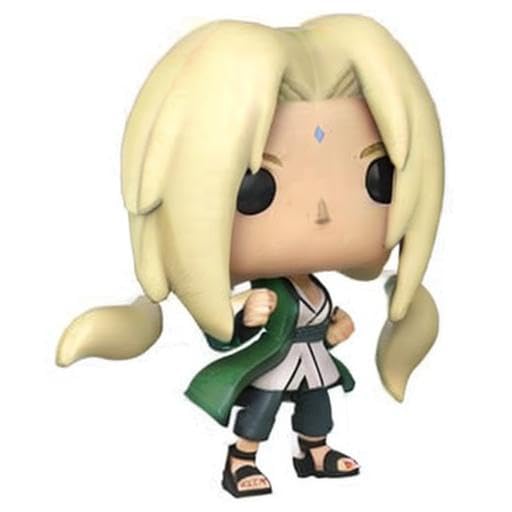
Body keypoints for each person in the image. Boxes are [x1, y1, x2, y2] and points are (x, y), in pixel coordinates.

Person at [56, 15, 444, 498]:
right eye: (256, 188)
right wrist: (241, 313)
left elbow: (317, 324)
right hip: (274, 368)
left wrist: (335, 330)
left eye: (377, 179)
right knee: (260, 413)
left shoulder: (314, 290)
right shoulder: (270, 291)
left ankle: (314, 451)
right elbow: (223, 334)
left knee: (317, 411)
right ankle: (241, 460)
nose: (322, 212)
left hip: (312, 364)